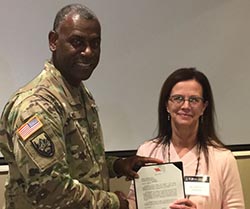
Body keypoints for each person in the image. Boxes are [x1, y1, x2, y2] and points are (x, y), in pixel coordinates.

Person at [0, 4, 162, 209]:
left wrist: (117, 165)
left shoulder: (78, 93)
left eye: (95, 43)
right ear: (53, 41)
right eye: (77, 42)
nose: (88, 52)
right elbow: (50, 189)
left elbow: (79, 160)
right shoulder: (36, 106)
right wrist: (115, 203)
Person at [127, 68, 245, 209]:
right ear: (167, 105)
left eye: (194, 100)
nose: (186, 106)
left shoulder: (223, 158)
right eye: (178, 98)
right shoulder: (147, 151)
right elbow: (136, 203)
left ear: (203, 107)